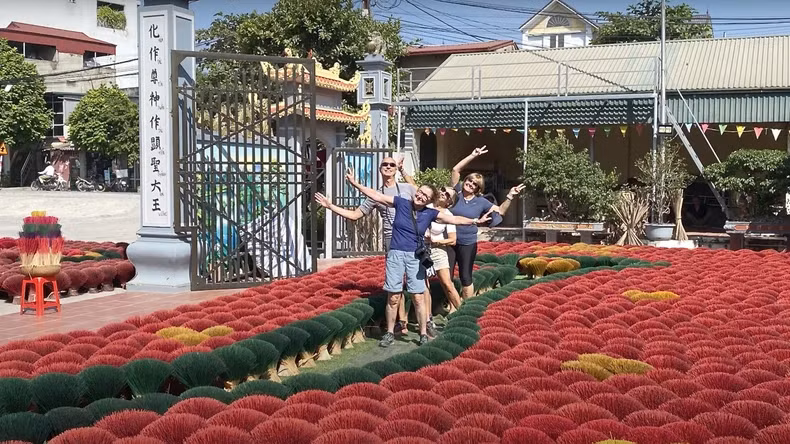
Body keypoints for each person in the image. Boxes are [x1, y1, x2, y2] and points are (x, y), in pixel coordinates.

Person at [341, 168, 492, 347]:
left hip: (416, 257)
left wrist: (475, 221)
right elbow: (377, 196)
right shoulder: (402, 202)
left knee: (419, 296)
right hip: (396, 254)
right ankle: (390, 332)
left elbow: (455, 220)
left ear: (429, 200)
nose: (420, 196)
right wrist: (355, 183)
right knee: (393, 297)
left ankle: (423, 332)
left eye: (425, 195)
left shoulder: (430, 213)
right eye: (419, 192)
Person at [314, 156, 414, 333]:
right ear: (380, 168)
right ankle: (402, 322)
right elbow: (355, 215)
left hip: (412, 238)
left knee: (419, 282)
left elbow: (421, 194)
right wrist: (330, 206)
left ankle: (426, 321)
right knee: (395, 283)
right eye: (385, 164)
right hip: (392, 239)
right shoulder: (374, 194)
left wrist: (403, 170)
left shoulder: (406, 188)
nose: (388, 167)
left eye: (392, 164)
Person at [450, 146, 525, 300]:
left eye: (474, 184)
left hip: (467, 242)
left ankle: (466, 305)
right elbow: (455, 170)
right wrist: (472, 155)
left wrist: (510, 196)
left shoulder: (481, 202)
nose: (470, 184)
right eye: (469, 180)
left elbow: (501, 211)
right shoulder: (455, 193)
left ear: (478, 189)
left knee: (465, 277)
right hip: (448, 241)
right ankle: (452, 305)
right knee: (447, 277)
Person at [423, 186, 462, 337]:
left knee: (447, 283)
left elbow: (453, 239)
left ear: (450, 202)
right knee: (424, 286)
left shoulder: (448, 215)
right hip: (422, 250)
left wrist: (437, 241)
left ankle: (464, 314)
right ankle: (428, 321)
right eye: (442, 190)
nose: (443, 193)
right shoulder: (426, 206)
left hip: (438, 250)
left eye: (447, 195)